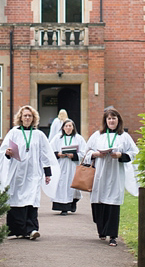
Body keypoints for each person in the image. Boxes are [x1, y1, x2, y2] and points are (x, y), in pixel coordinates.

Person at [82, 106, 139, 247]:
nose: (111, 121)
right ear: (105, 120)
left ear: (118, 120)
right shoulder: (97, 135)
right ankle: (101, 230)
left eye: (114, 118)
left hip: (115, 175)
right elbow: (86, 153)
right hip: (99, 175)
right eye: (109, 118)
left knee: (112, 204)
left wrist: (120, 155)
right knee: (98, 204)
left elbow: (134, 153)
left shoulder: (124, 137)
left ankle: (113, 235)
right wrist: (96, 154)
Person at [0, 105, 52, 240]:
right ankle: (17, 230)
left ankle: (32, 229)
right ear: (20, 118)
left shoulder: (38, 135)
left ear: (34, 118)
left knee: (32, 199)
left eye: (30, 116)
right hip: (17, 173)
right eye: (25, 115)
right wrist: (8, 153)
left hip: (33, 173)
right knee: (17, 199)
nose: (27, 118)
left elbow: (45, 154)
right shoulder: (14, 133)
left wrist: (47, 172)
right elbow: (4, 151)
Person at [49, 116, 86, 215]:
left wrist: (73, 155)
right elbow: (50, 151)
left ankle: (72, 203)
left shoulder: (79, 138)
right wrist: (58, 154)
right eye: (66, 126)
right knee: (61, 185)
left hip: (72, 166)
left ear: (73, 127)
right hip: (61, 166)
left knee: (72, 186)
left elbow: (84, 153)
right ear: (63, 127)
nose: (68, 128)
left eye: (70, 126)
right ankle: (63, 208)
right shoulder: (57, 138)